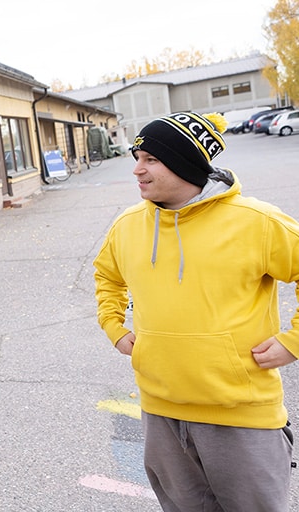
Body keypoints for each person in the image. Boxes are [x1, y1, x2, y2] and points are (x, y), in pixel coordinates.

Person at [93, 111, 299, 511]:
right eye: (137, 158)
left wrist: (294, 341)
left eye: (150, 159)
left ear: (185, 162)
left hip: (242, 416)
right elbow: (107, 278)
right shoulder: (127, 225)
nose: (137, 170)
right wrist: (114, 327)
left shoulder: (256, 221)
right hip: (160, 413)